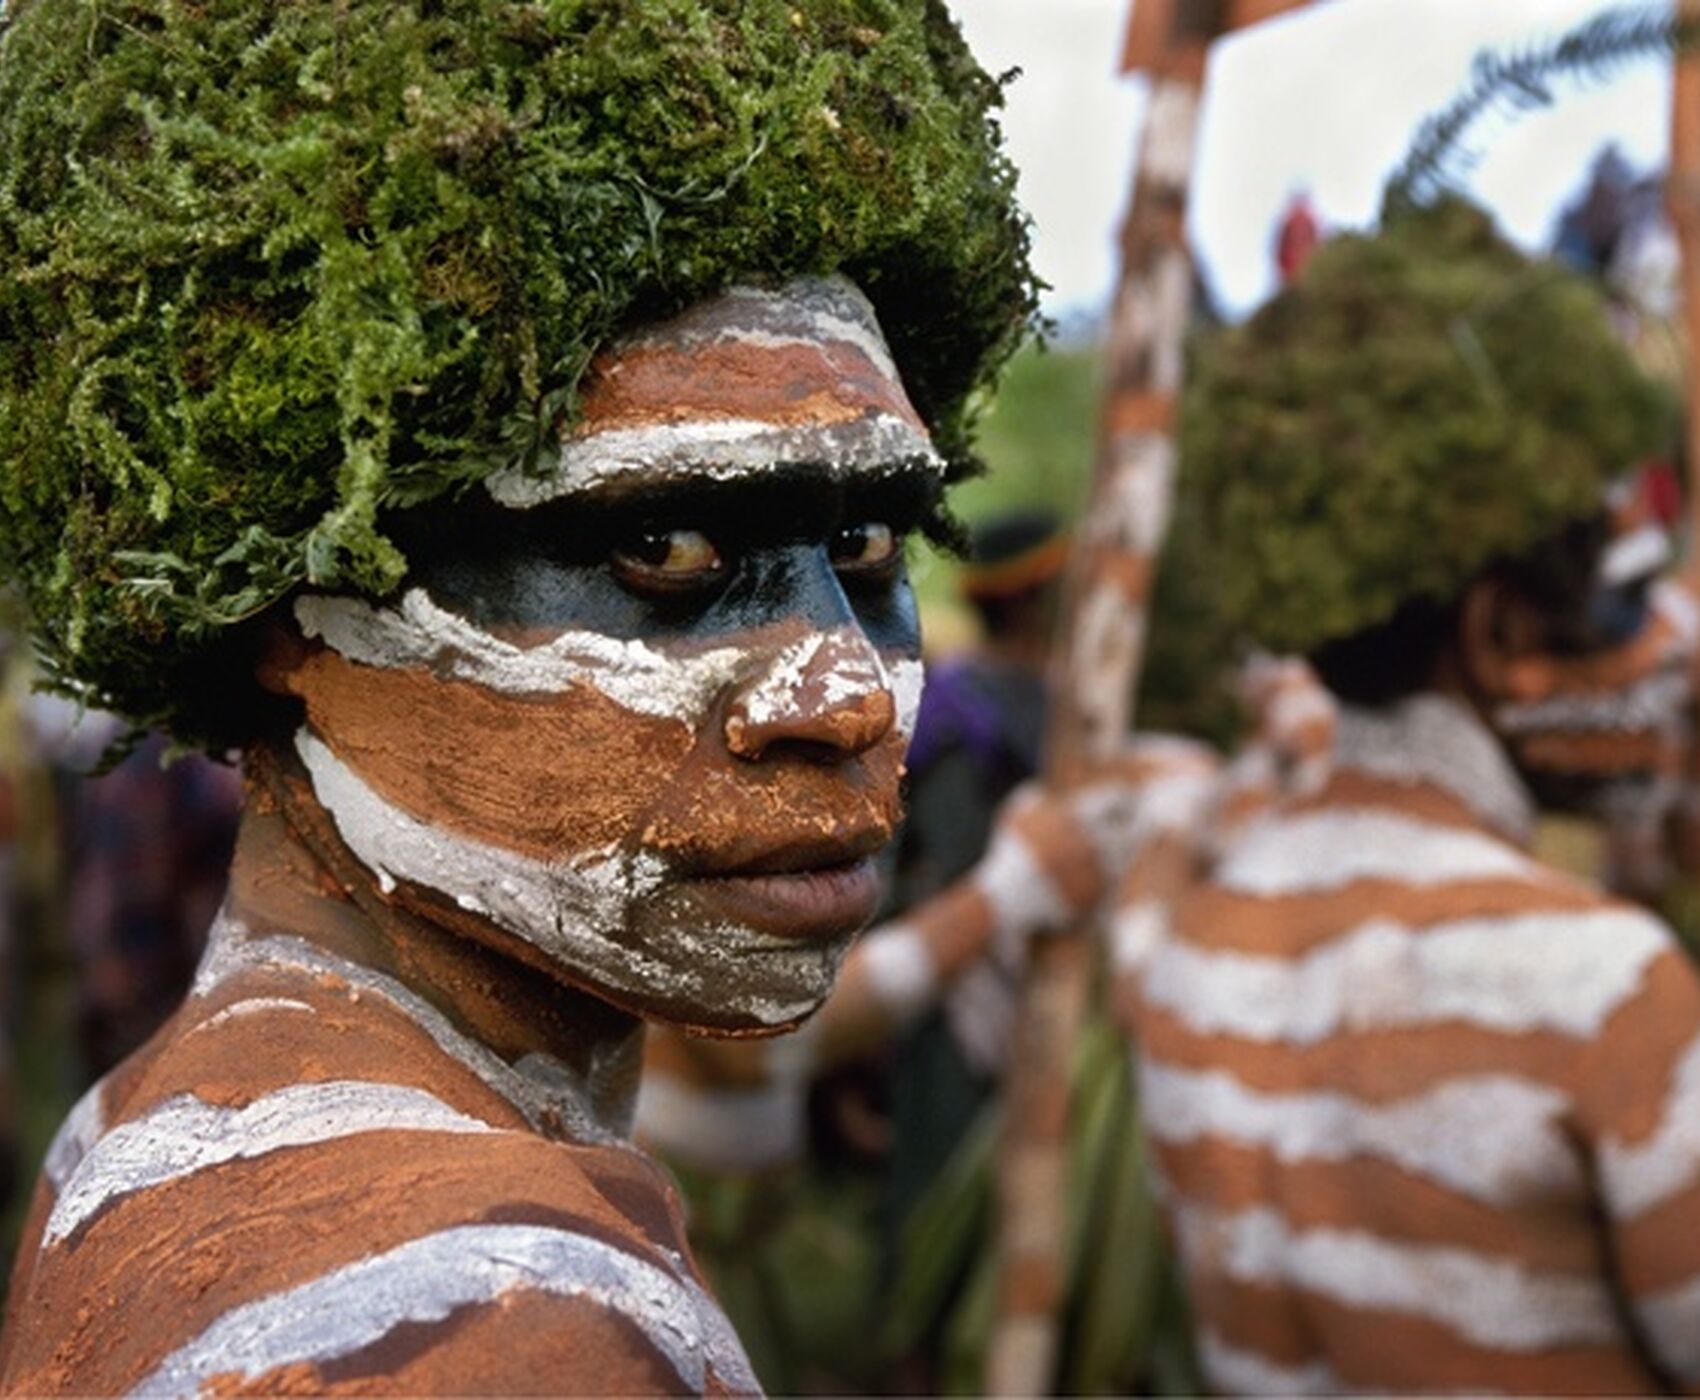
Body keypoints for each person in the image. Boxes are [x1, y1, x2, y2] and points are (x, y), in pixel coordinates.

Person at [0, 2, 1040, 1392]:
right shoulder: (504, 1328)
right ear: (281, 606)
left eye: (862, 549)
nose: (842, 694)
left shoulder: (139, 1132)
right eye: (666, 550)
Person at [1118, 199, 1700, 1394]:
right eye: (1620, 609)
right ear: (1494, 634)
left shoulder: (1189, 953)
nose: (1667, 652)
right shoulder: (1593, 986)